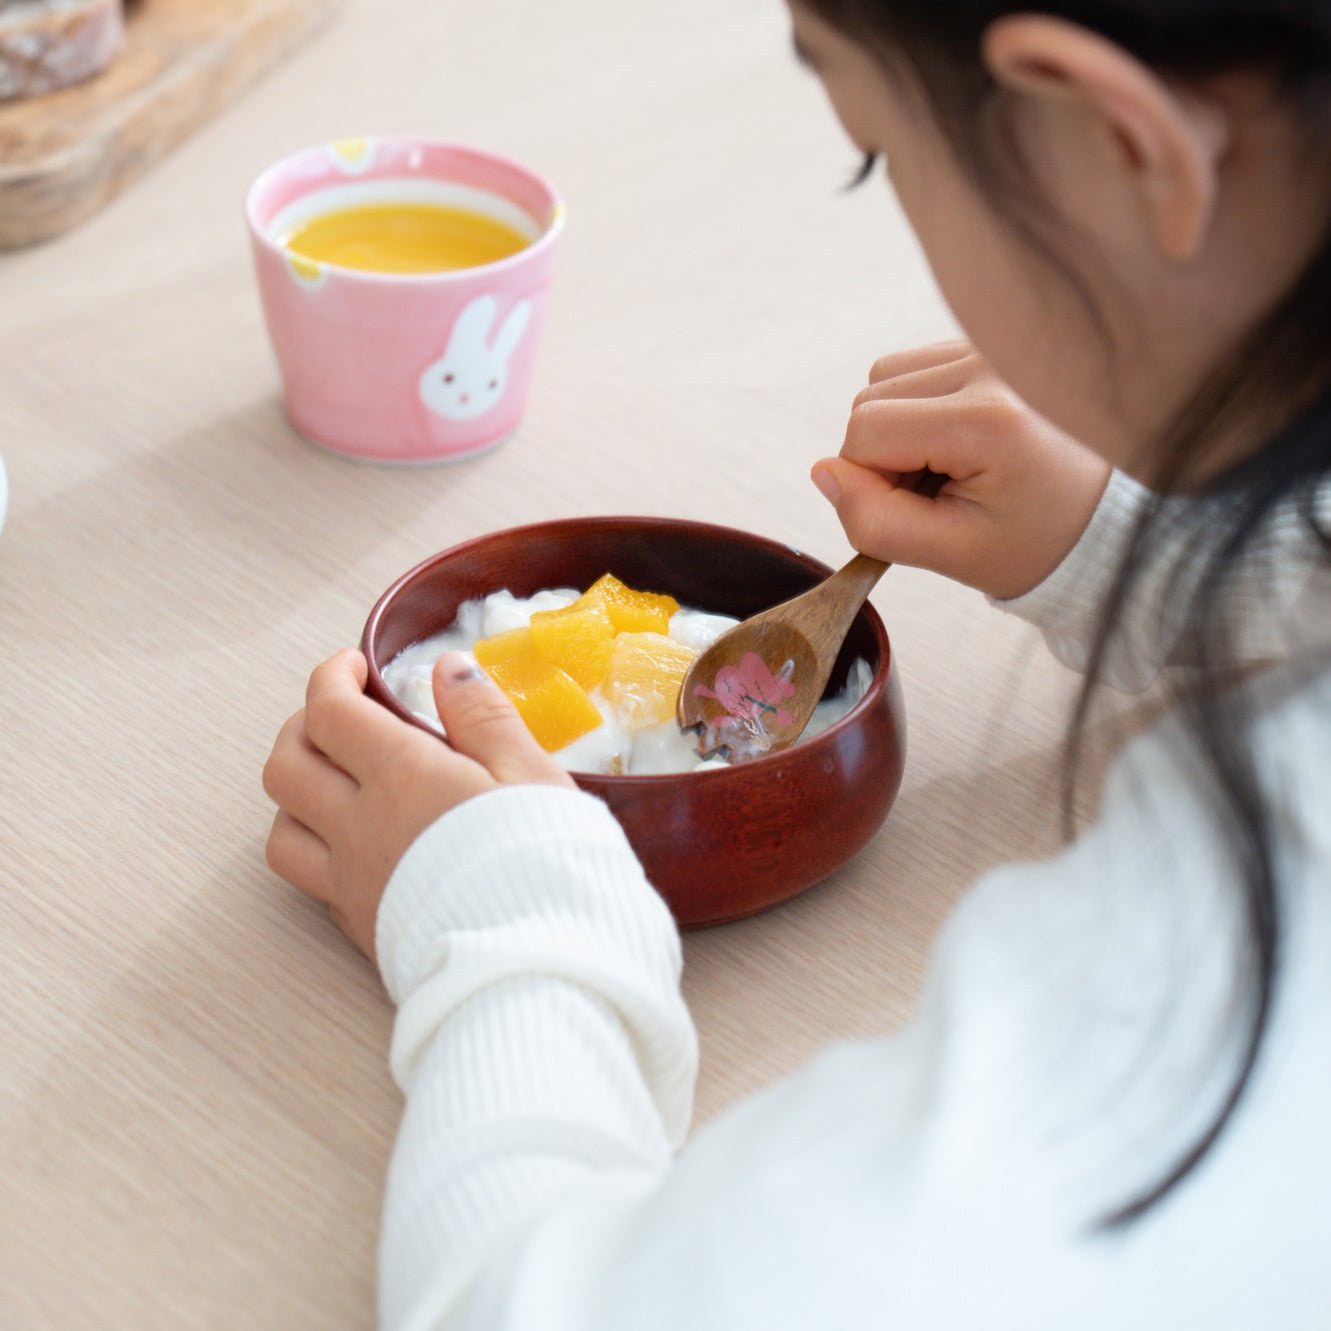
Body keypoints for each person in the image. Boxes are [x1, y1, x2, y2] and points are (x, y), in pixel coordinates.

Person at [262, 1, 1331, 1326]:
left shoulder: (1226, 999)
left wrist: (508, 920)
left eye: (872, 149)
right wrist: (1171, 547)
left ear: (1121, 147)